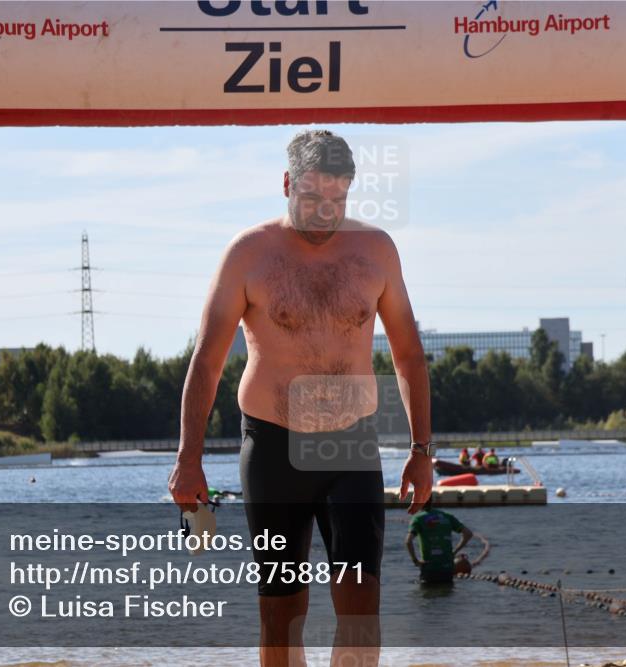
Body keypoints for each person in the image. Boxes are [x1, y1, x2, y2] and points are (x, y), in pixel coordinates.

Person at [168, 129, 434, 667]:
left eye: (337, 199)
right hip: (273, 447)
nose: (324, 212)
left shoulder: (376, 251)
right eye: (312, 197)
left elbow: (408, 354)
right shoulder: (248, 254)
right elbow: (207, 360)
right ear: (288, 184)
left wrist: (421, 451)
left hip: (351, 447)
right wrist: (188, 458)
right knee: (281, 611)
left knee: (360, 605)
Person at [406, 497, 473, 584]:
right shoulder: (447, 516)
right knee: (447, 591)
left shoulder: (418, 519)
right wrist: (454, 552)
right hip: (447, 568)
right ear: (432, 501)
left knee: (427, 591)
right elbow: (468, 534)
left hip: (429, 569)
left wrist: (415, 561)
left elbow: (408, 541)